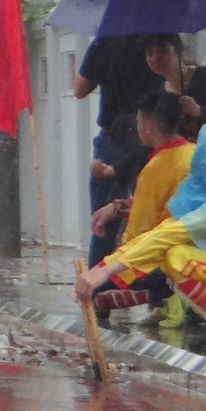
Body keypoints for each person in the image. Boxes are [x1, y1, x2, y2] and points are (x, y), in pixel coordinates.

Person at [77, 121, 206, 354]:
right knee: (171, 253)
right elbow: (169, 227)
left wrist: (105, 268)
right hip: (159, 253)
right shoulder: (193, 169)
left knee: (177, 258)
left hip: (152, 257)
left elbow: (170, 230)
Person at [88, 90, 194, 326]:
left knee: (95, 294)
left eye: (138, 121)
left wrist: (108, 268)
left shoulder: (155, 168)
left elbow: (138, 234)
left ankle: (166, 294)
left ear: (146, 126)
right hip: (199, 251)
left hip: (168, 258)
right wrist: (116, 207)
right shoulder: (193, 153)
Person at [73, 33, 165, 267]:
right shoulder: (161, 38)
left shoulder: (104, 41)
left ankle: (99, 292)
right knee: (154, 215)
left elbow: (80, 88)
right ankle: (156, 293)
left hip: (115, 137)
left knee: (104, 220)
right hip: (156, 134)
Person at [143, 34, 206, 140]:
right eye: (150, 54)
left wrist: (200, 111)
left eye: (163, 50)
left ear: (179, 51)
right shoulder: (158, 96)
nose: (156, 58)